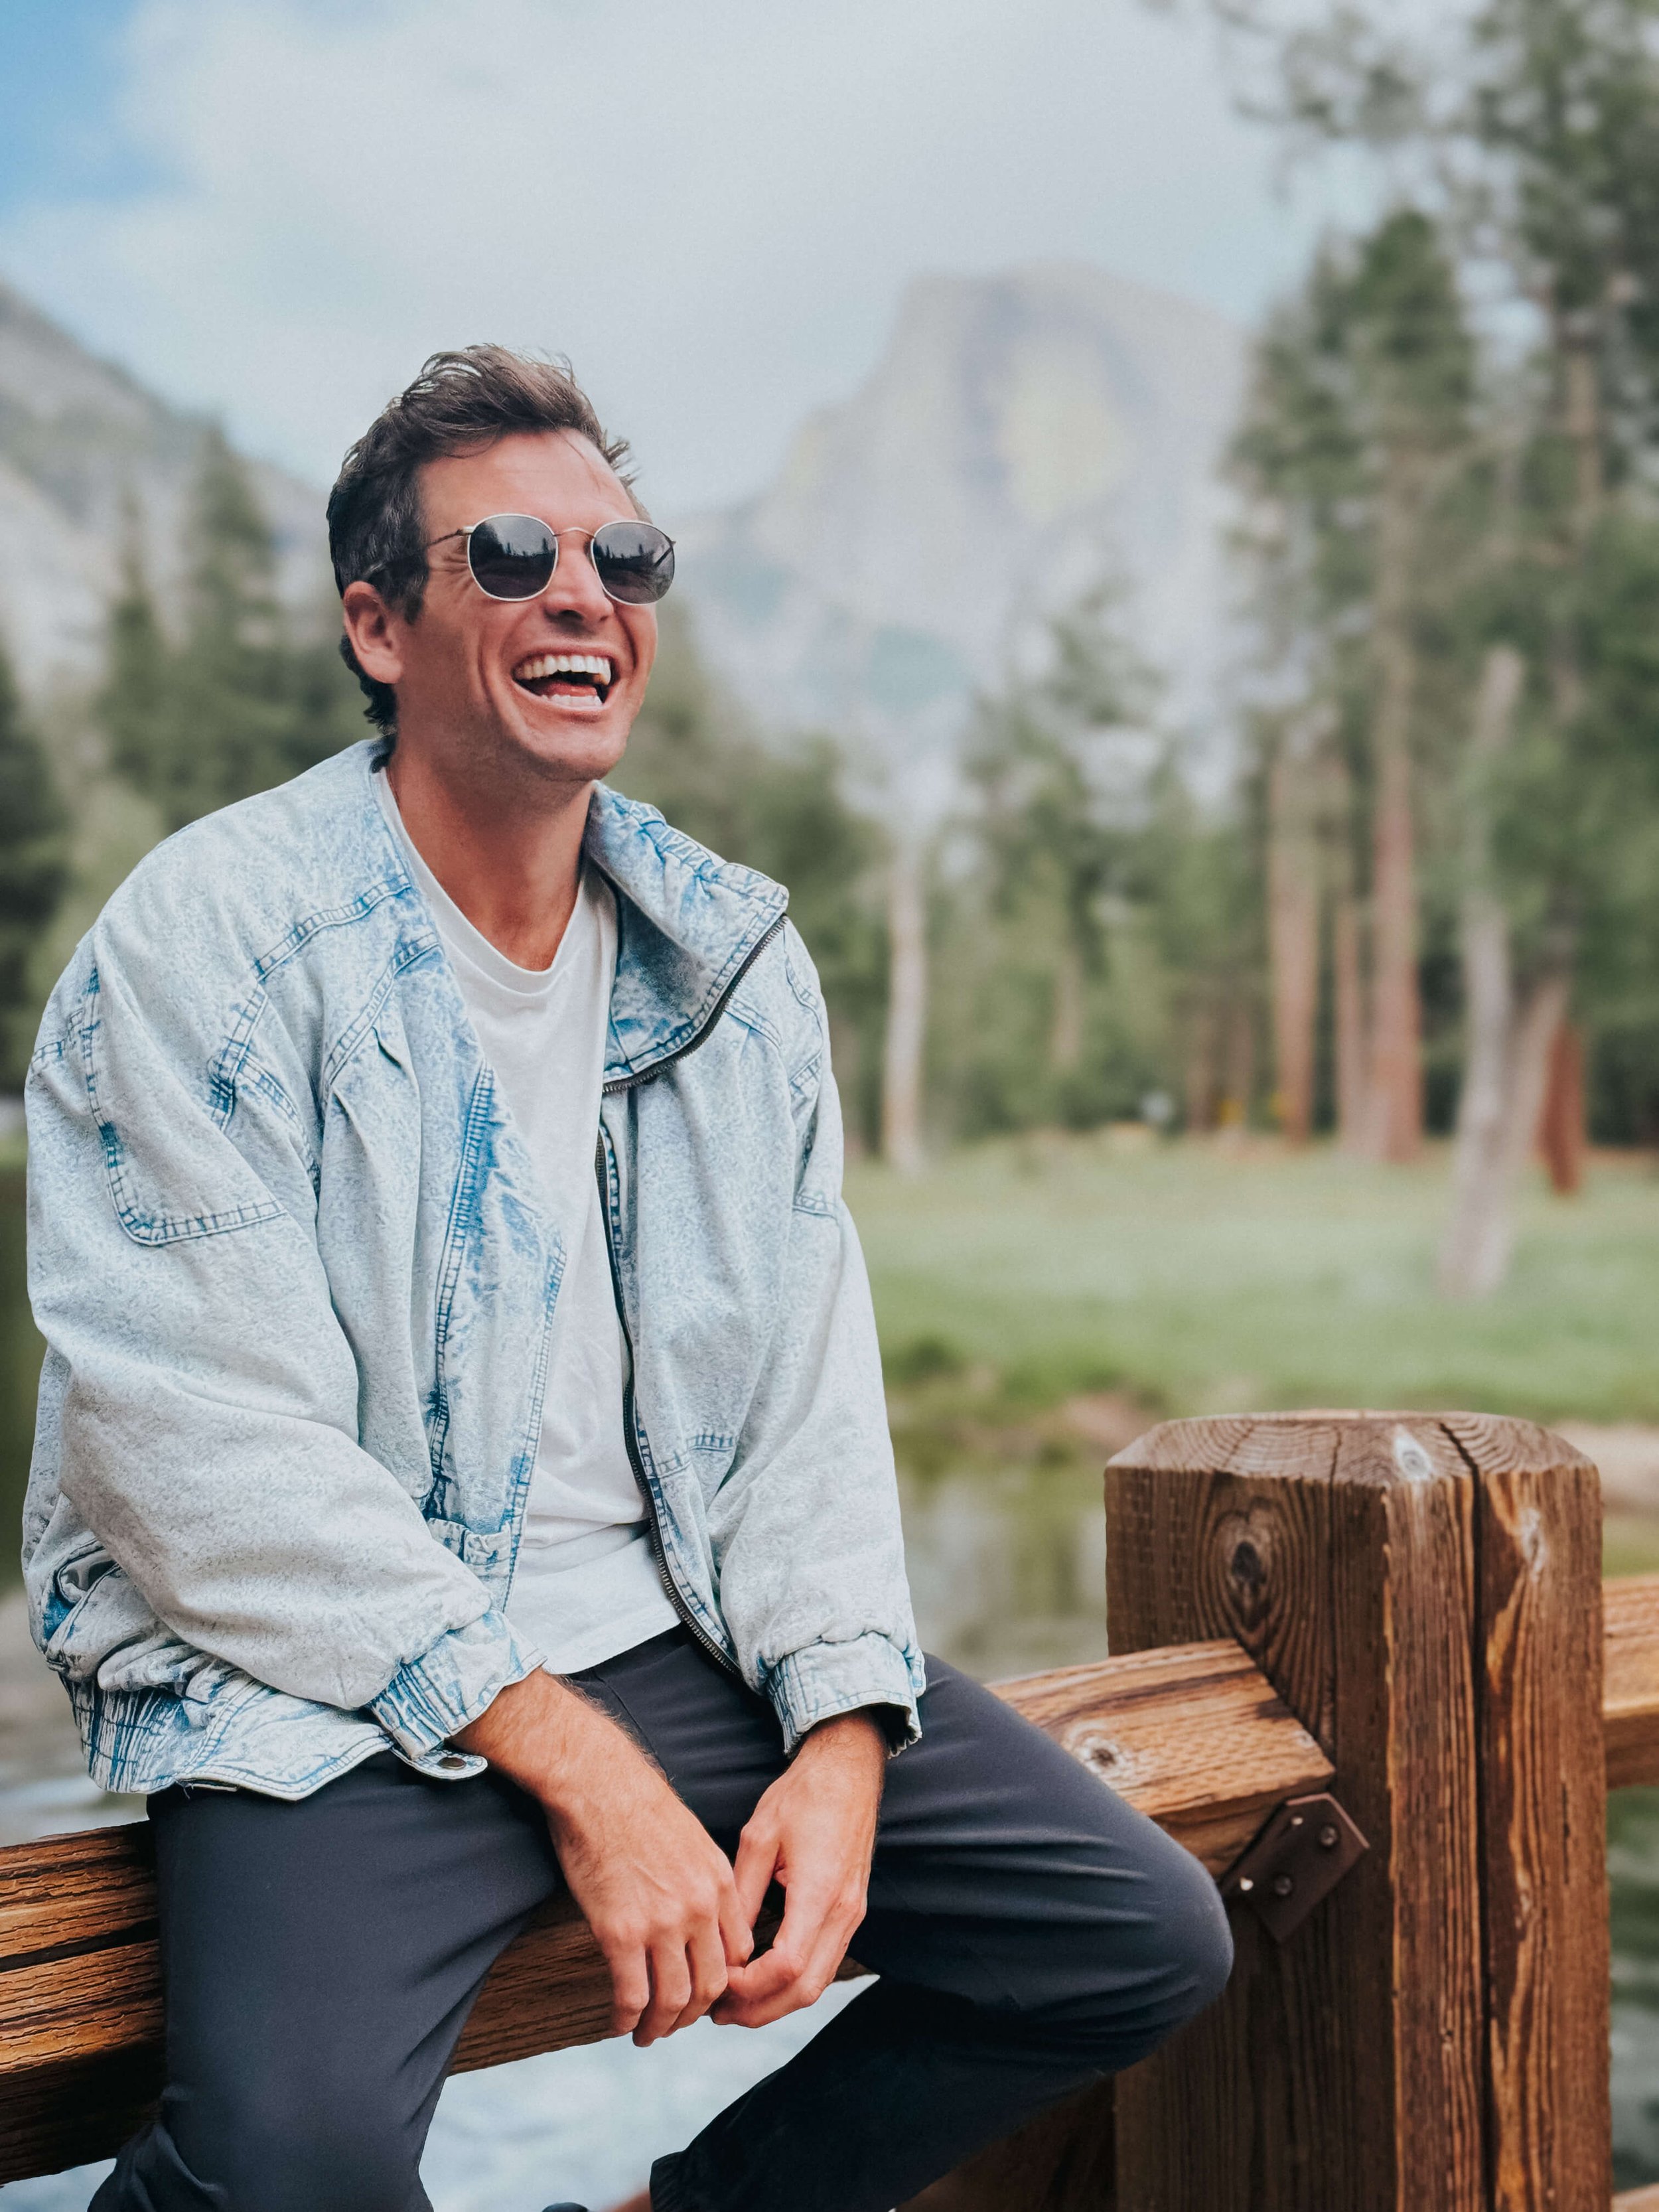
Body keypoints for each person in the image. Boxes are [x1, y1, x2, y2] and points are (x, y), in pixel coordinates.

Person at [23, 346, 1232, 2212]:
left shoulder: (729, 962)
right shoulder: (209, 938)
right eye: (507, 556)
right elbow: (185, 1445)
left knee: (1132, 1935)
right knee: (300, 2166)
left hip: (673, 1637)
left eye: (626, 558)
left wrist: (836, 1729)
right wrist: (574, 1765)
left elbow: (799, 1397)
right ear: (378, 623)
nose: (582, 594)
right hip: (330, 1683)